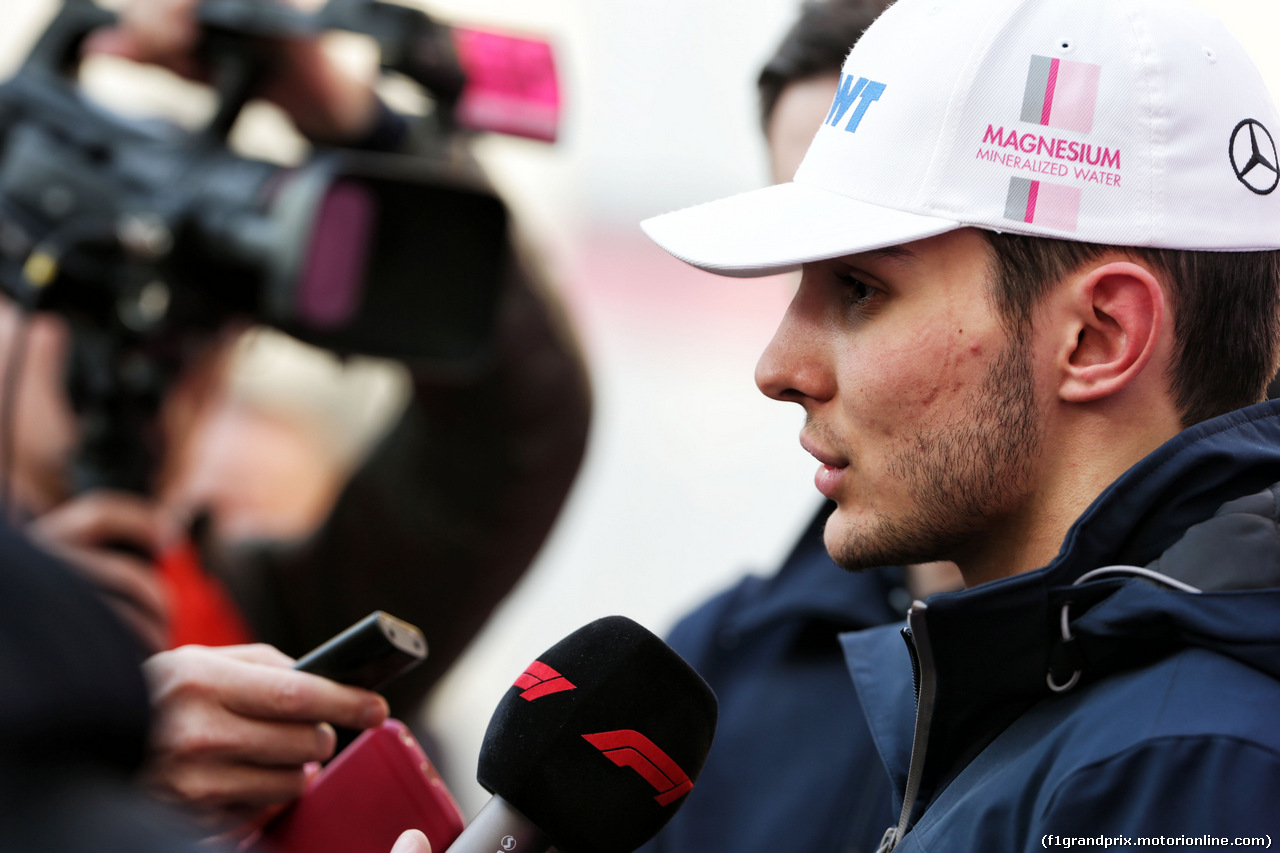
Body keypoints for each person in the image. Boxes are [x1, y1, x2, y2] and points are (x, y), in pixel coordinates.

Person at [643, 0, 1280, 848]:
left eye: (860, 290)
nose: (779, 368)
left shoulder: (1178, 765)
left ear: (1098, 336)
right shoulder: (1060, 708)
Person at [2, 0, 590, 831]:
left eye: (204, 323)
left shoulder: (266, 621)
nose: (156, 345)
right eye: (84, 285)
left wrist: (356, 126)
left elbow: (510, 435)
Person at [639, 4, 962, 853]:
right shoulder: (706, 671)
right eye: (801, 263)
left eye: (862, 278)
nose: (779, 366)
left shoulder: (1211, 708)